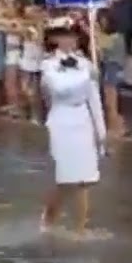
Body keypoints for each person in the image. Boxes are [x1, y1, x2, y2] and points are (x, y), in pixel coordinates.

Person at [39, 16, 107, 236]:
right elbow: (59, 89)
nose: (69, 40)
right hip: (61, 120)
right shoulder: (48, 65)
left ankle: (80, 230)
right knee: (66, 179)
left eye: (73, 36)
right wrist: (86, 75)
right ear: (54, 39)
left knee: (84, 179)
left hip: (82, 120)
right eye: (64, 36)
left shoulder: (86, 64)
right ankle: (48, 220)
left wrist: (102, 132)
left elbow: (94, 100)